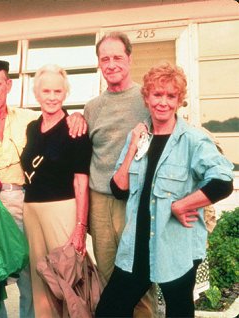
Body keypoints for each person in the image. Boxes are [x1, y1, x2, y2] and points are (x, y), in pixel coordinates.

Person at [95, 63, 234, 317]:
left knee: (179, 312)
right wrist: (132, 147)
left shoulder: (193, 139)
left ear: (179, 100)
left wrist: (182, 205)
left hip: (176, 246)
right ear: (146, 97)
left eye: (171, 96)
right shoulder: (138, 136)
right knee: (109, 310)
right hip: (136, 246)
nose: (163, 102)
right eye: (157, 95)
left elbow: (223, 181)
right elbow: (119, 189)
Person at [0, 58, 86, 318]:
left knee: (31, 273)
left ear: (9, 85)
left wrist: (77, 116)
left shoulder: (29, 118)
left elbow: (56, 123)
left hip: (24, 200)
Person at [83, 31, 157, 317]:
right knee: (108, 276)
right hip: (100, 201)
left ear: (129, 58)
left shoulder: (147, 100)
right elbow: (83, 153)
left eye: (117, 57)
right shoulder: (92, 107)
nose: (111, 64)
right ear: (99, 64)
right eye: (105, 59)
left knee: (139, 280)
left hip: (137, 200)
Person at [20, 64, 92, 317]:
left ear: (65, 94)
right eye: (46, 91)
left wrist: (80, 227)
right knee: (40, 281)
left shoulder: (75, 128)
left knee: (67, 281)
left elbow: (81, 182)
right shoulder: (31, 127)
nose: (52, 97)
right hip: (31, 210)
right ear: (37, 94)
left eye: (57, 91)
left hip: (62, 209)